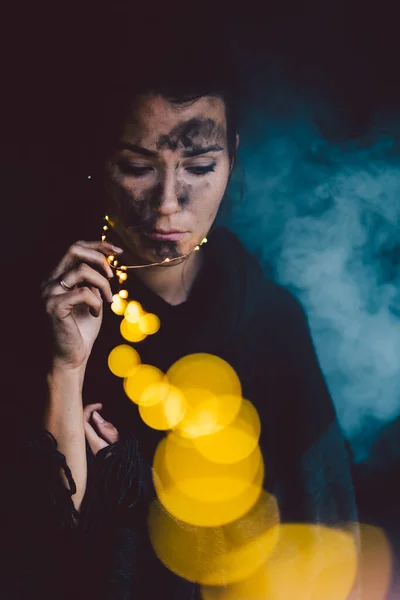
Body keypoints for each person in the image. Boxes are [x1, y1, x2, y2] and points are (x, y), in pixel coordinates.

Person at [2, 25, 358, 600]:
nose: (168, 203)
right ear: (101, 161)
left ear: (232, 159)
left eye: (198, 167)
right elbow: (34, 547)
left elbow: (328, 533)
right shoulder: (44, 307)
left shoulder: (269, 319)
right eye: (138, 166)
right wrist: (64, 372)